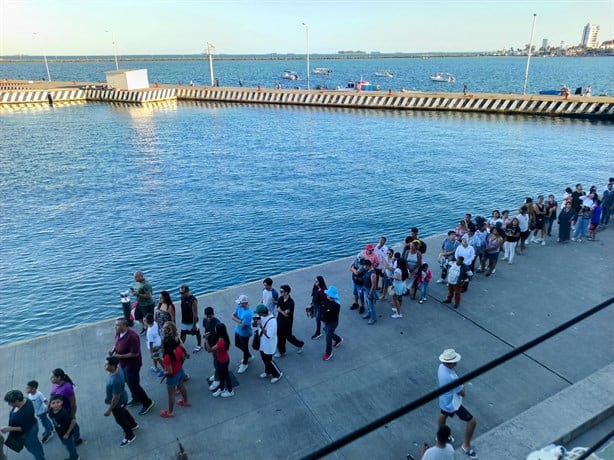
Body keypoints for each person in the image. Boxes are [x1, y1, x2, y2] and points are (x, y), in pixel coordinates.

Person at [109, 318, 155, 416]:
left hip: (132, 365)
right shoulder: (118, 332)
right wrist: (113, 350)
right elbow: (116, 342)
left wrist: (119, 356)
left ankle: (147, 402)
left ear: (125, 326)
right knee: (128, 381)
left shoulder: (132, 337)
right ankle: (136, 398)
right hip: (123, 364)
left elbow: (135, 353)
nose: (115, 327)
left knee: (134, 385)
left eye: (117, 325)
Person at [437, 349, 477, 459]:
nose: (456, 363)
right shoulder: (452, 378)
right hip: (453, 403)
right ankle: (466, 445)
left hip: (444, 398)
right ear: (451, 363)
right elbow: (462, 393)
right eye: (455, 361)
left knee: (443, 414)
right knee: (472, 421)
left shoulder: (441, 367)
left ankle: (441, 436)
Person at [1, 390, 46, 460]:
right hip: (31, 427)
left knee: (34, 448)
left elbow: (23, 428)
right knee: (35, 444)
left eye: (10, 402)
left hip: (27, 433)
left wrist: (9, 428)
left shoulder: (24, 412)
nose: (9, 404)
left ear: (16, 401)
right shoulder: (25, 400)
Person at [104, 356, 138, 447]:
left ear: (113, 366)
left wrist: (109, 409)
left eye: (107, 364)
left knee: (120, 420)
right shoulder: (118, 369)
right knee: (124, 412)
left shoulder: (116, 380)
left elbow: (116, 397)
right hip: (123, 399)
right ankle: (133, 424)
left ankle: (130, 436)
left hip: (118, 403)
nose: (105, 366)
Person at [49, 369, 82, 444]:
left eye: (53, 377)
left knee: (73, 425)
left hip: (65, 411)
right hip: (57, 409)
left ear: (59, 377)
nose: (50, 378)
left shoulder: (67, 388)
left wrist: (72, 415)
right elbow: (52, 396)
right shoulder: (54, 384)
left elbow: (73, 403)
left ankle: (77, 438)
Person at [160, 335, 190, 417]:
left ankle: (170, 412)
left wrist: (164, 373)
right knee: (181, 386)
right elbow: (183, 358)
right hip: (180, 371)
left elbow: (170, 371)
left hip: (172, 377)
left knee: (171, 394)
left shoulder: (167, 357)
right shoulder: (178, 349)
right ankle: (185, 401)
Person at [254, 304, 283, 383]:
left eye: (259, 314)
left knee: (269, 360)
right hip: (262, 343)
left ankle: (277, 373)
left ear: (262, 313)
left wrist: (260, 325)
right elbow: (255, 325)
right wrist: (256, 322)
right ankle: (268, 371)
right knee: (264, 358)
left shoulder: (272, 322)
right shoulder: (262, 316)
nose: (258, 315)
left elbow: (268, 335)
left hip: (269, 344)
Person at [205, 323, 234, 397]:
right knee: (221, 375)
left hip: (223, 361)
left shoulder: (221, 341)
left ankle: (230, 391)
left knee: (226, 376)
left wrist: (206, 339)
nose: (214, 329)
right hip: (221, 359)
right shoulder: (223, 337)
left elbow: (209, 350)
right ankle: (222, 388)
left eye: (215, 329)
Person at [275, 285, 305, 357]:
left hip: (287, 323)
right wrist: (281, 311)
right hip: (279, 320)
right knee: (280, 337)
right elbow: (278, 307)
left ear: (286, 292)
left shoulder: (291, 302)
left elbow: (286, 314)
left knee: (289, 337)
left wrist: (280, 311)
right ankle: (282, 352)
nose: (280, 292)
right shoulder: (280, 298)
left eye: (281, 291)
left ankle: (300, 344)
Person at [48, 395, 79, 460]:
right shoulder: (51, 411)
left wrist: (67, 433)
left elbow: (73, 421)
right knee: (66, 444)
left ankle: (75, 457)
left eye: (58, 402)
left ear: (61, 402)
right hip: (60, 432)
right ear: (50, 404)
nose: (56, 404)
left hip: (66, 433)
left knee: (70, 447)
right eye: (53, 403)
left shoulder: (63, 413)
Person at [232, 294, 253, 374]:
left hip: (245, 334)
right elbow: (232, 316)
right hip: (238, 330)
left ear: (245, 303)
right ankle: (248, 355)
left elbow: (244, 327)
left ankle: (245, 363)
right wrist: (240, 321)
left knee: (245, 347)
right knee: (237, 344)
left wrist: (238, 321)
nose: (238, 304)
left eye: (240, 303)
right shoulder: (239, 307)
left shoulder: (248, 314)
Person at [203, 306, 222, 391]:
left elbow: (222, 337)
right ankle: (217, 374)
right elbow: (206, 330)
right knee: (215, 360)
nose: (209, 318)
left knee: (217, 362)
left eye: (210, 316)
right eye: (208, 316)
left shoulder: (217, 324)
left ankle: (217, 379)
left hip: (216, 346)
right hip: (210, 343)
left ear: (213, 314)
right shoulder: (205, 320)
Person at [321, 286, 342, 361]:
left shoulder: (336, 305)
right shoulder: (326, 300)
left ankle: (328, 353)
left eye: (328, 294)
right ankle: (338, 339)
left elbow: (330, 314)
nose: (327, 295)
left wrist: (325, 311)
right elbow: (323, 307)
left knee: (328, 337)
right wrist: (325, 311)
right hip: (327, 321)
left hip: (332, 322)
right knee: (328, 332)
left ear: (331, 296)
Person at [179, 285, 203, 353]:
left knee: (197, 333)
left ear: (187, 292)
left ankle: (199, 345)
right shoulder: (182, 297)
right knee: (183, 333)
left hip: (192, 321)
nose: (181, 294)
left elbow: (195, 313)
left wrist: (194, 325)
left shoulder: (193, 300)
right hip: (184, 320)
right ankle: (181, 346)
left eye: (182, 293)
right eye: (180, 293)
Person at [145, 313, 164, 377]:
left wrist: (151, 353)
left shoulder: (149, 332)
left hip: (154, 347)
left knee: (158, 358)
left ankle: (165, 370)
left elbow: (151, 343)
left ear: (147, 322)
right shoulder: (155, 323)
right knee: (156, 358)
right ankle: (155, 367)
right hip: (158, 343)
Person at [360, 259, 378, 325]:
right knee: (367, 303)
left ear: (368, 265)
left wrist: (370, 294)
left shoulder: (372, 273)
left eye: (364, 265)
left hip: (369, 291)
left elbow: (373, 284)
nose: (363, 267)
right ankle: (369, 314)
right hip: (365, 289)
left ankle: (373, 318)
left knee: (371, 305)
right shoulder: (367, 270)